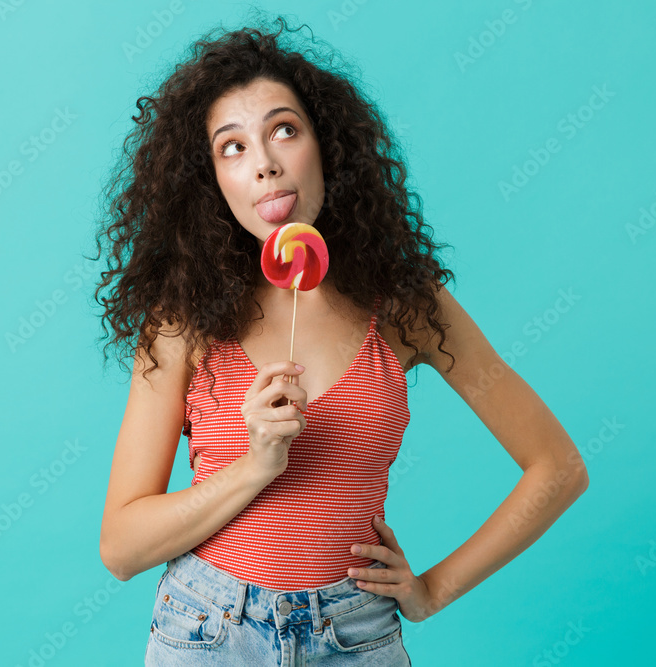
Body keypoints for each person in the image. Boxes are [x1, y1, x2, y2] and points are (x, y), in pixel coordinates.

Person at [95, 14, 589, 665]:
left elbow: (558, 467)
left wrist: (432, 589)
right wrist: (256, 465)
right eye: (232, 147)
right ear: (210, 180)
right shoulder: (183, 318)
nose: (265, 164)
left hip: (356, 634)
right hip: (210, 630)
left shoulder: (405, 305)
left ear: (326, 144)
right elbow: (122, 547)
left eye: (284, 130)